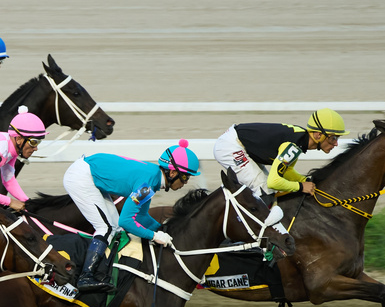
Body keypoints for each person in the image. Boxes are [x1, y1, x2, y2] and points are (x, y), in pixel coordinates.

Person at [62, 140, 201, 293]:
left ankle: (100, 271)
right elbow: (127, 220)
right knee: (106, 227)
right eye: (185, 177)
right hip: (82, 177)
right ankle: (85, 277)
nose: (185, 183)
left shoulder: (152, 180)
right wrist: (154, 236)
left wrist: (163, 230)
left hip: (90, 173)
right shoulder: (147, 186)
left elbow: (140, 216)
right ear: (173, 173)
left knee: (114, 227)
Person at [213, 108, 350, 201]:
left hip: (239, 143)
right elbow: (274, 182)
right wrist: (301, 187)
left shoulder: (299, 142)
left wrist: (306, 181)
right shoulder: (293, 145)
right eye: (333, 138)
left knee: (267, 190)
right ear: (318, 135)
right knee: (265, 189)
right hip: (230, 146)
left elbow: (286, 170)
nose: (336, 143)